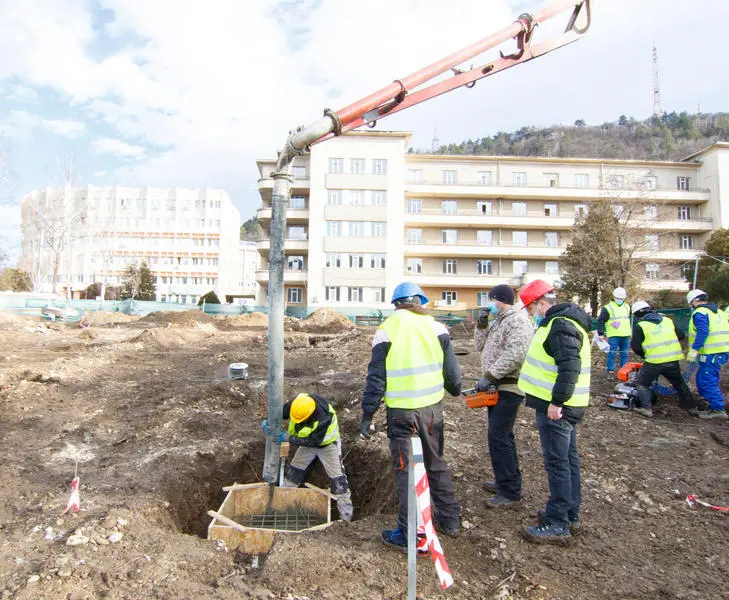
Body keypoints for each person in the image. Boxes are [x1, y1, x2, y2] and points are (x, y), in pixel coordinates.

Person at [361, 281, 462, 552]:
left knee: (407, 472)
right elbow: (453, 376)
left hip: (402, 415)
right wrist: (455, 389)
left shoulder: (386, 330)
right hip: (432, 411)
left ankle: (410, 534)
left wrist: (367, 413)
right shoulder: (437, 327)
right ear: (419, 301)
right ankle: (450, 520)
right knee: (435, 463)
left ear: (396, 304)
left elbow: (376, 379)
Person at [517, 279, 591, 545]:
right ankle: (568, 514)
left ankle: (558, 523)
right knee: (568, 461)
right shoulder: (563, 322)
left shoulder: (561, 325)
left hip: (559, 408)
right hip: (565, 406)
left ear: (541, 302)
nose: (532, 312)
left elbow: (569, 366)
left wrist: (557, 402)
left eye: (531, 307)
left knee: (558, 464)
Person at [474, 284, 533, 509]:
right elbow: (480, 346)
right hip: (496, 387)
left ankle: (509, 491)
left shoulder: (517, 320)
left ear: (501, 300)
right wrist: (481, 324)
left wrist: (491, 375)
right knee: (499, 436)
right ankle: (504, 480)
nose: (489, 303)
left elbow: (516, 353)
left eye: (492, 300)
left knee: (499, 436)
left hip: (509, 387)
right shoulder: (499, 320)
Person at [277, 392, 353, 521]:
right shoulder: (298, 404)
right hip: (308, 441)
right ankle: (282, 505)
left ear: (310, 416)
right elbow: (280, 413)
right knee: (294, 472)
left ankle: (346, 517)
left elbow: (313, 442)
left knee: (338, 480)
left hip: (327, 446)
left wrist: (288, 438)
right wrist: (269, 422)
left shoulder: (323, 418)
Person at [630, 301, 702, 418]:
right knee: (679, 383)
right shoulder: (667, 321)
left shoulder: (641, 326)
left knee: (642, 384)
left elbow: (636, 347)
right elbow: (681, 335)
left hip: (654, 361)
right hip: (672, 359)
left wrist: (644, 354)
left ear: (636, 315)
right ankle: (691, 407)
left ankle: (646, 408)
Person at [686, 289, 729, 419]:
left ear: (693, 301)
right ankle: (712, 404)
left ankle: (717, 409)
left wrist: (694, 349)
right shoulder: (718, 312)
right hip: (720, 351)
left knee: (707, 381)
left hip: (712, 353)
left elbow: (703, 332)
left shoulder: (700, 313)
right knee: (701, 379)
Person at [597, 287, 631, 377]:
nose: (620, 300)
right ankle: (610, 371)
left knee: (624, 354)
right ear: (614, 297)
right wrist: (600, 333)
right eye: (619, 298)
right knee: (612, 353)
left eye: (622, 298)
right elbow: (601, 320)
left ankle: (624, 371)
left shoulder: (627, 306)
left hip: (626, 334)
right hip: (614, 335)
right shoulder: (608, 308)